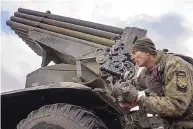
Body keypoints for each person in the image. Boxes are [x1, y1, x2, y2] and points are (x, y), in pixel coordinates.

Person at [112, 37, 193, 127]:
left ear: (147, 51)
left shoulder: (175, 65)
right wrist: (119, 88)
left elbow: (177, 105)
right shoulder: (147, 72)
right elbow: (134, 84)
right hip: (173, 124)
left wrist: (139, 101)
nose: (132, 57)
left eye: (134, 52)